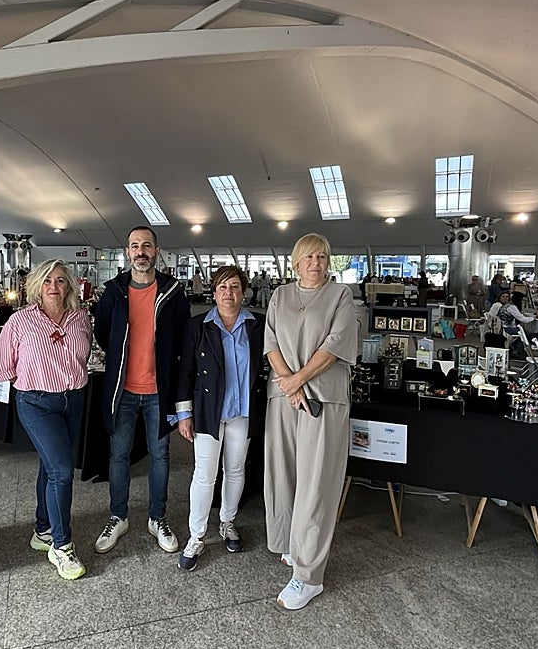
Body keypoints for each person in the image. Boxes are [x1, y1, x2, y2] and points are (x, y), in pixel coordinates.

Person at [263, 233, 358, 610]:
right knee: (283, 472)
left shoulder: (340, 296)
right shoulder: (280, 295)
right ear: (296, 262)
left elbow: (336, 345)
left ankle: (308, 576)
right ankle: (288, 545)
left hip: (322, 398)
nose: (315, 263)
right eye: (308, 257)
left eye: (322, 256)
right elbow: (270, 342)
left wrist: (298, 381)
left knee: (317, 480)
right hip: (284, 398)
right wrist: (288, 384)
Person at [93, 226, 191, 556]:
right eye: (134, 246)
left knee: (160, 455)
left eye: (146, 246)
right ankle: (118, 516)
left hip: (157, 392)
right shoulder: (113, 292)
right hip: (122, 391)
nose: (140, 251)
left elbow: (182, 341)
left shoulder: (173, 293)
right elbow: (104, 333)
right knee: (118, 455)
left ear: (157, 251)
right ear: (127, 252)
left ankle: (157, 517)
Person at [0, 259, 93, 580]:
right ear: (37, 286)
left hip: (73, 400)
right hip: (36, 402)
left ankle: (42, 529)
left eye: (61, 281)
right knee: (62, 472)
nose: (54, 286)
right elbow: (2, 367)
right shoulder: (20, 321)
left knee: (49, 467)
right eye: (47, 280)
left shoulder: (80, 319)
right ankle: (61, 545)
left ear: (69, 286)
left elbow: (85, 355)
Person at [175, 265, 266, 571]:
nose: (229, 293)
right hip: (208, 411)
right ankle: (196, 535)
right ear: (213, 293)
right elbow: (185, 371)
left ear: (244, 292)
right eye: (223, 288)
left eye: (235, 287)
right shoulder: (198, 326)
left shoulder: (257, 325)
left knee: (236, 469)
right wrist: (184, 414)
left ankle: (227, 521)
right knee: (204, 474)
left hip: (243, 411)